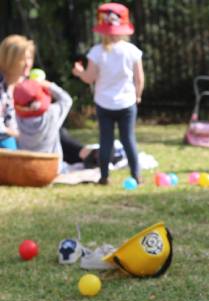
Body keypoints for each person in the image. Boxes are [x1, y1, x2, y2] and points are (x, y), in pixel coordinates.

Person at [72, 2, 144, 185]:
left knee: (106, 142)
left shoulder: (96, 52)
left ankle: (104, 177)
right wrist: (138, 95)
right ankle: (136, 175)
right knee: (129, 139)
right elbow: (139, 78)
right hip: (127, 103)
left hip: (104, 103)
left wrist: (79, 72)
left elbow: (89, 78)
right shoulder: (132, 51)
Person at [13, 78, 72, 172]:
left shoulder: (17, 118)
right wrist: (49, 85)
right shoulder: (52, 114)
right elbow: (67, 100)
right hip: (52, 168)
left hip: (26, 167)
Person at [0, 35, 34, 149]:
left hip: (21, 136)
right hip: (5, 138)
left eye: (29, 58)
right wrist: (23, 136)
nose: (28, 64)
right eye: (22, 59)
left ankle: (85, 153)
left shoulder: (25, 83)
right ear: (9, 61)